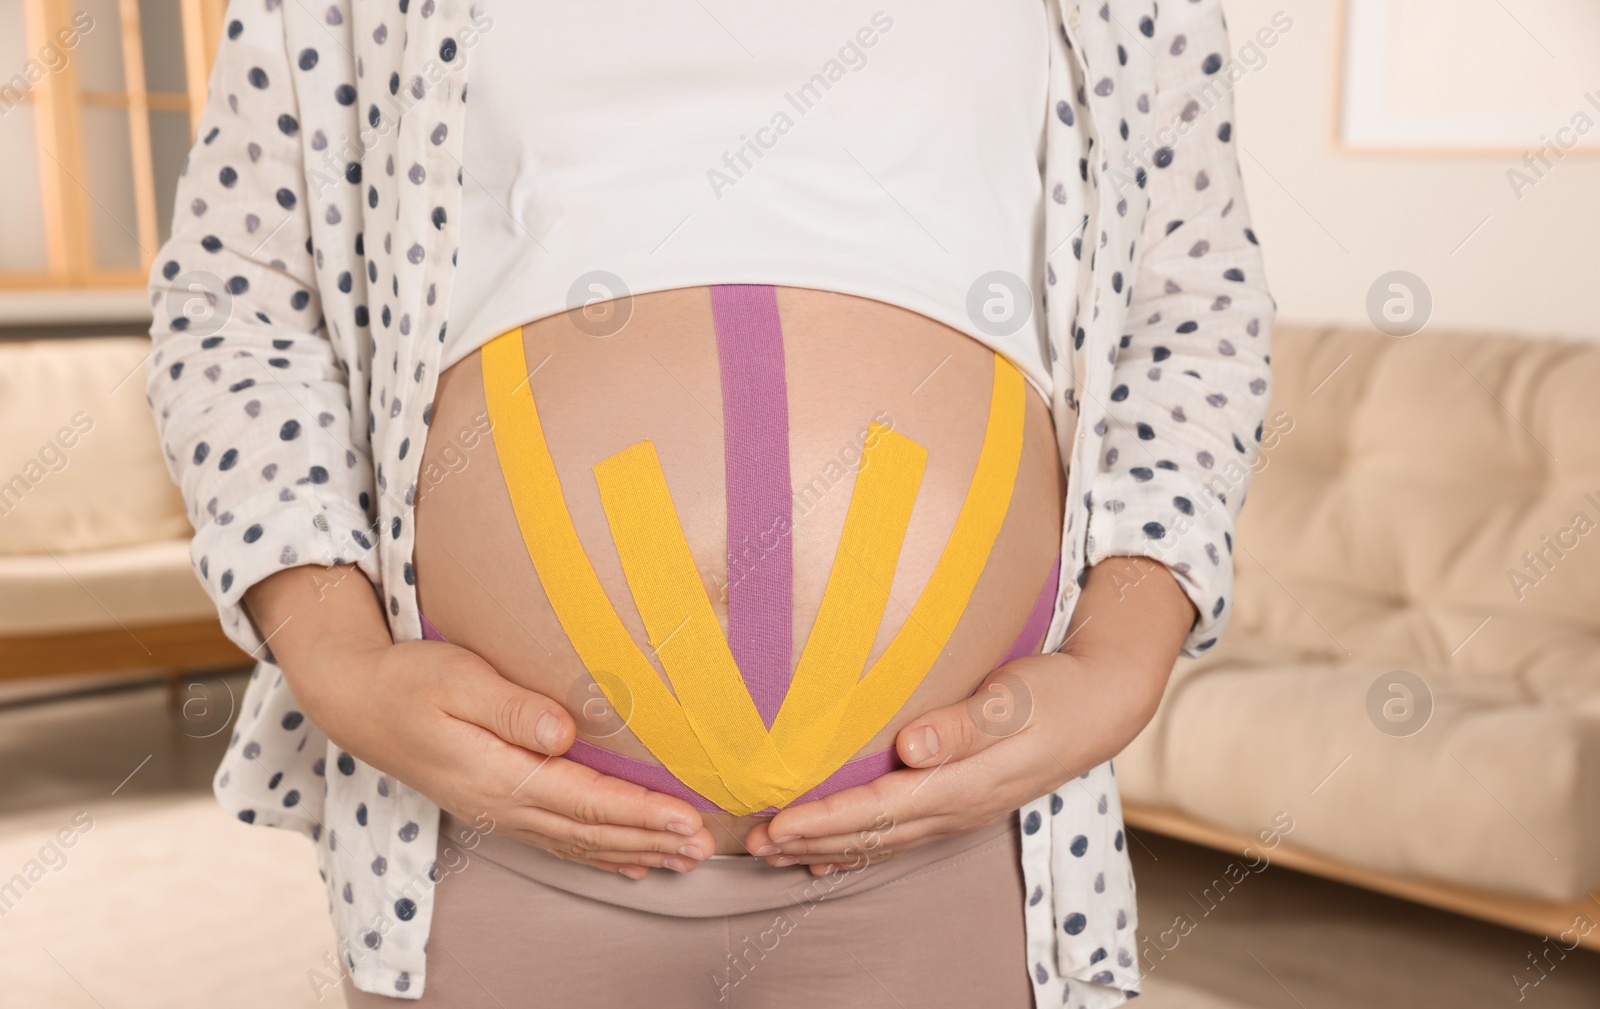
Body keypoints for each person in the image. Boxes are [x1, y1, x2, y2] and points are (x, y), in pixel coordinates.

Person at [145, 1, 1272, 1006]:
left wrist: (1124, 659)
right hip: (489, 850)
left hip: (961, 851)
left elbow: (1192, 310)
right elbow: (241, 299)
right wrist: (337, 657)